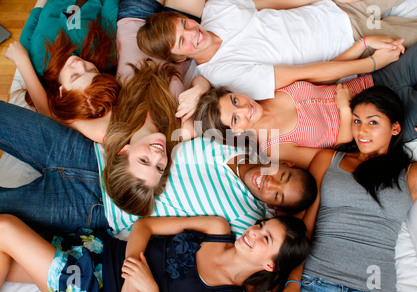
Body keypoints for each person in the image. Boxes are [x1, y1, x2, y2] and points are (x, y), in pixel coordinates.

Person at [195, 22, 417, 169]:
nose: (244, 108)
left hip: (381, 78)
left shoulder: (265, 93)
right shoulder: (275, 150)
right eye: (236, 119)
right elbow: (334, 157)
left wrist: (363, 44)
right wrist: (344, 110)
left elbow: (324, 76)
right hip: (394, 116)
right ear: (236, 134)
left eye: (235, 101)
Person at [285, 85, 417, 292]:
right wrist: (291, 284)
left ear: (395, 128)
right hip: (314, 284)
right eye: (357, 121)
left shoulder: (413, 175)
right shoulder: (327, 160)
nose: (361, 131)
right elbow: (304, 226)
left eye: (373, 122)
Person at [137, 0, 417, 100]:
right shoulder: (223, 74)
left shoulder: (217, 9)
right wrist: (370, 62)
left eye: (184, 24)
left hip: (337, 6)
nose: (193, 33)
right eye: (183, 41)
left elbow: (278, 1)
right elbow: (308, 75)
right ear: (180, 57)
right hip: (351, 42)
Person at [0, 63, 180, 236]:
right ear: (124, 151)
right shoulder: (114, 126)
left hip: (91, 205)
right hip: (83, 154)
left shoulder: (113, 133)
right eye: (149, 162)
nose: (157, 155)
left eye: (147, 161)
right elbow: (55, 117)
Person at [0, 214, 311, 292]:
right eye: (260, 225)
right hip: (98, 251)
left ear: (270, 264)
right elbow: (144, 225)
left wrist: (148, 289)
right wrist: (131, 277)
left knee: (5, 227)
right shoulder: (217, 228)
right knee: (5, 255)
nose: (253, 232)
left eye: (264, 238)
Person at [102, 136, 318, 237]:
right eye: (283, 176)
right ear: (286, 164)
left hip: (102, 203)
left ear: (276, 207)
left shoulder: (247, 219)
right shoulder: (243, 146)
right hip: (105, 151)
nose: (271, 183)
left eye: (277, 195)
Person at [4, 0, 120, 143]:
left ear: (61, 91)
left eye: (75, 76)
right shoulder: (105, 56)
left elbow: (31, 27)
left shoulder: (36, 63)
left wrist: (40, 2)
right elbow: (109, 12)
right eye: (92, 69)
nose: (80, 64)